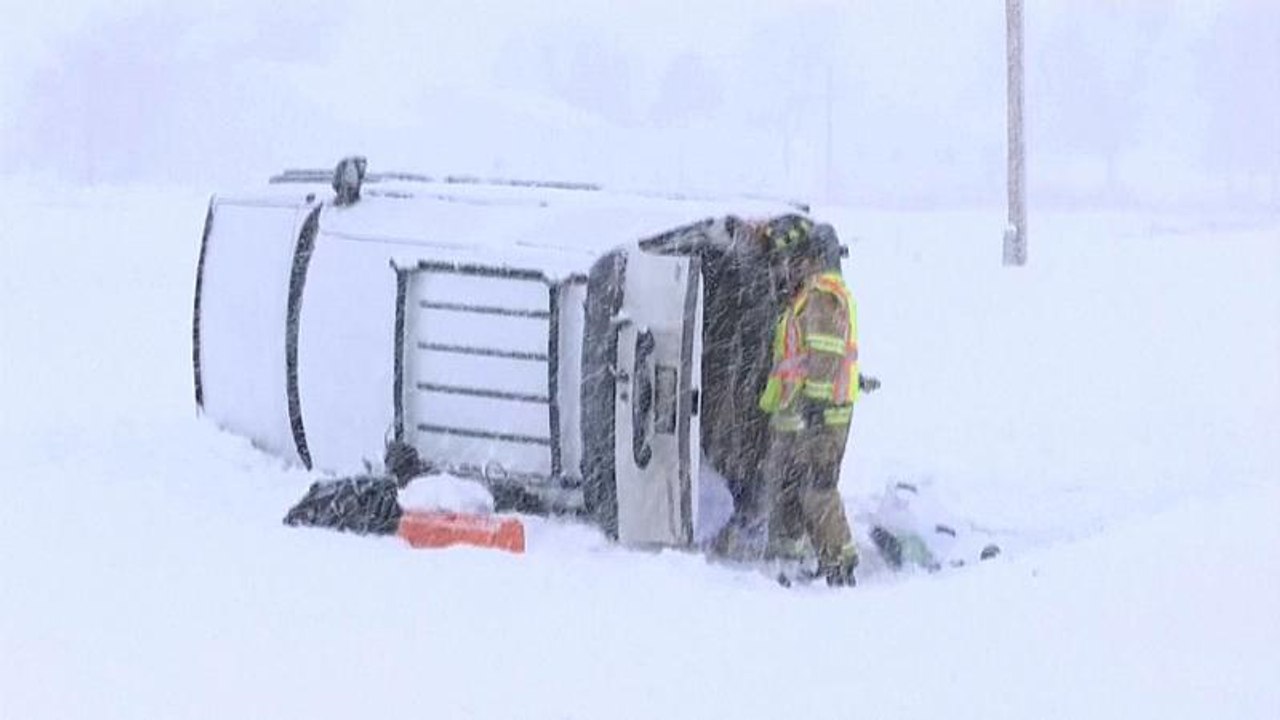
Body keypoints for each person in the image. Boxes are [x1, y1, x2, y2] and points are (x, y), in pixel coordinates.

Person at [753, 215, 876, 586]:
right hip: (807, 413)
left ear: (815, 259)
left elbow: (824, 353)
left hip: (822, 414)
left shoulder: (824, 294)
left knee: (817, 488)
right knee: (798, 488)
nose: (792, 266)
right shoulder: (810, 294)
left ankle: (841, 561)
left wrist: (816, 408)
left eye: (799, 259)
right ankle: (804, 555)